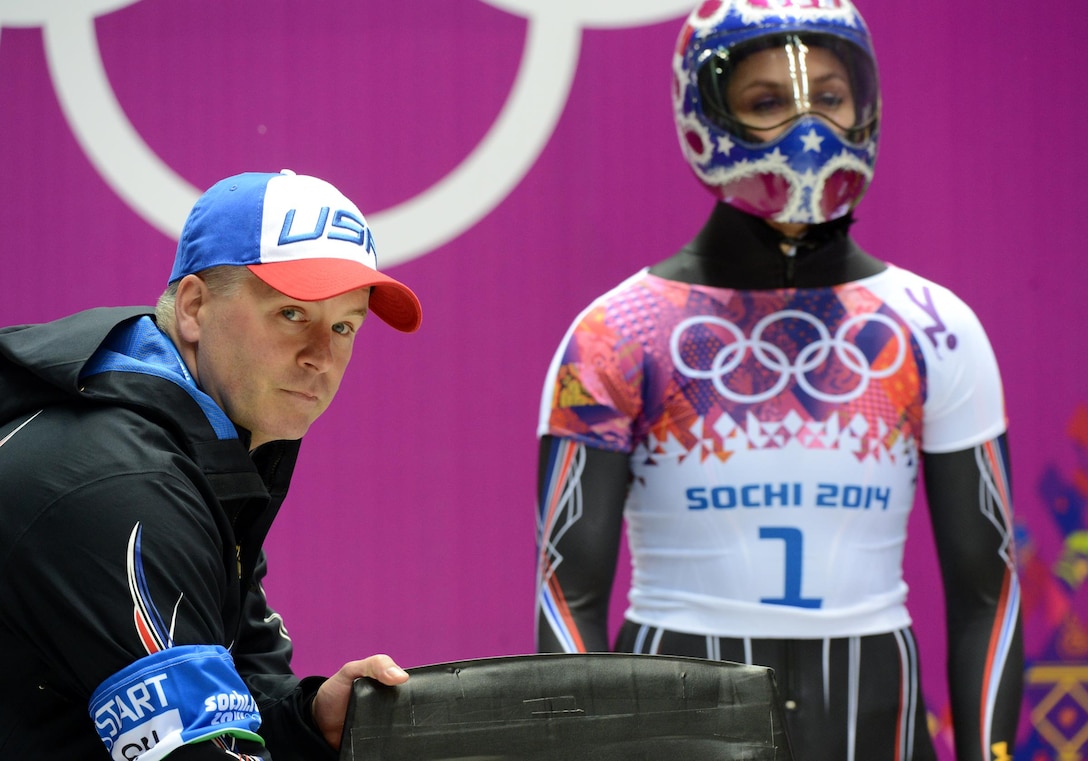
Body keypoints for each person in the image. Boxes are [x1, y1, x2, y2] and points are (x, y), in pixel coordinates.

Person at [534, 2, 1023, 761]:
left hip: (876, 727)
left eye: (830, 97)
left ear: (867, 102)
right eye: (768, 102)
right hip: (674, 728)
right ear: (704, 115)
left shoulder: (936, 325)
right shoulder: (613, 333)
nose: (810, 128)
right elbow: (570, 594)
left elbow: (986, 594)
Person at [0, 169, 420, 760]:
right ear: (195, 308)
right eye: (292, 314)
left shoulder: (211, 445)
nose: (321, 357)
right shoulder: (124, 488)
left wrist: (306, 720)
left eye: (344, 325)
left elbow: (237, 692)